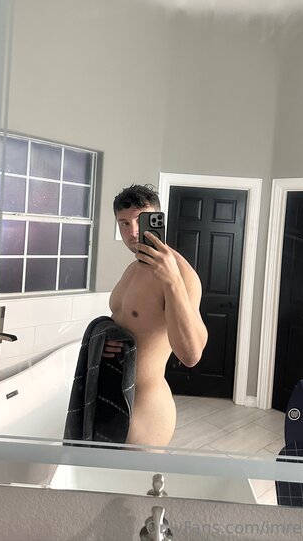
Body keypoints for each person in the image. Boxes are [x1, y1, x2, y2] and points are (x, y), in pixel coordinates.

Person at [104, 184, 208, 447]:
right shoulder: (132, 268)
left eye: (140, 220)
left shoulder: (182, 274)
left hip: (145, 408)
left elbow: (192, 355)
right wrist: (103, 340)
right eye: (124, 223)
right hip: (114, 395)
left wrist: (172, 281)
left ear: (158, 219)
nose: (132, 231)